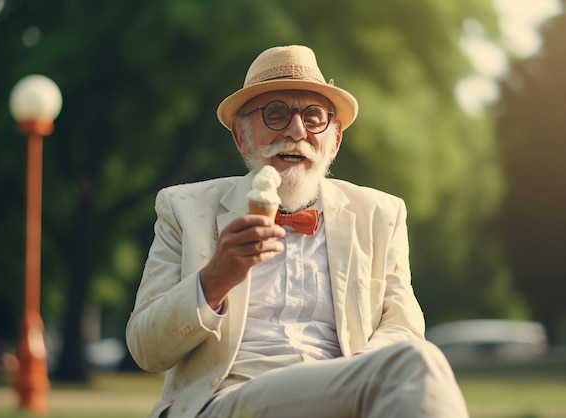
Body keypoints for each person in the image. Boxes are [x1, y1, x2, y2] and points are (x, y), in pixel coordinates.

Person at [126, 45, 468, 418]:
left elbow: (401, 326)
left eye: (314, 116)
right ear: (241, 136)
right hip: (225, 401)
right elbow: (147, 349)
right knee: (417, 365)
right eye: (275, 114)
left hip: (345, 394)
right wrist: (214, 280)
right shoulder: (185, 208)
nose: (296, 130)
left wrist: (357, 376)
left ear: (334, 140)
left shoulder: (380, 214)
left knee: (416, 361)